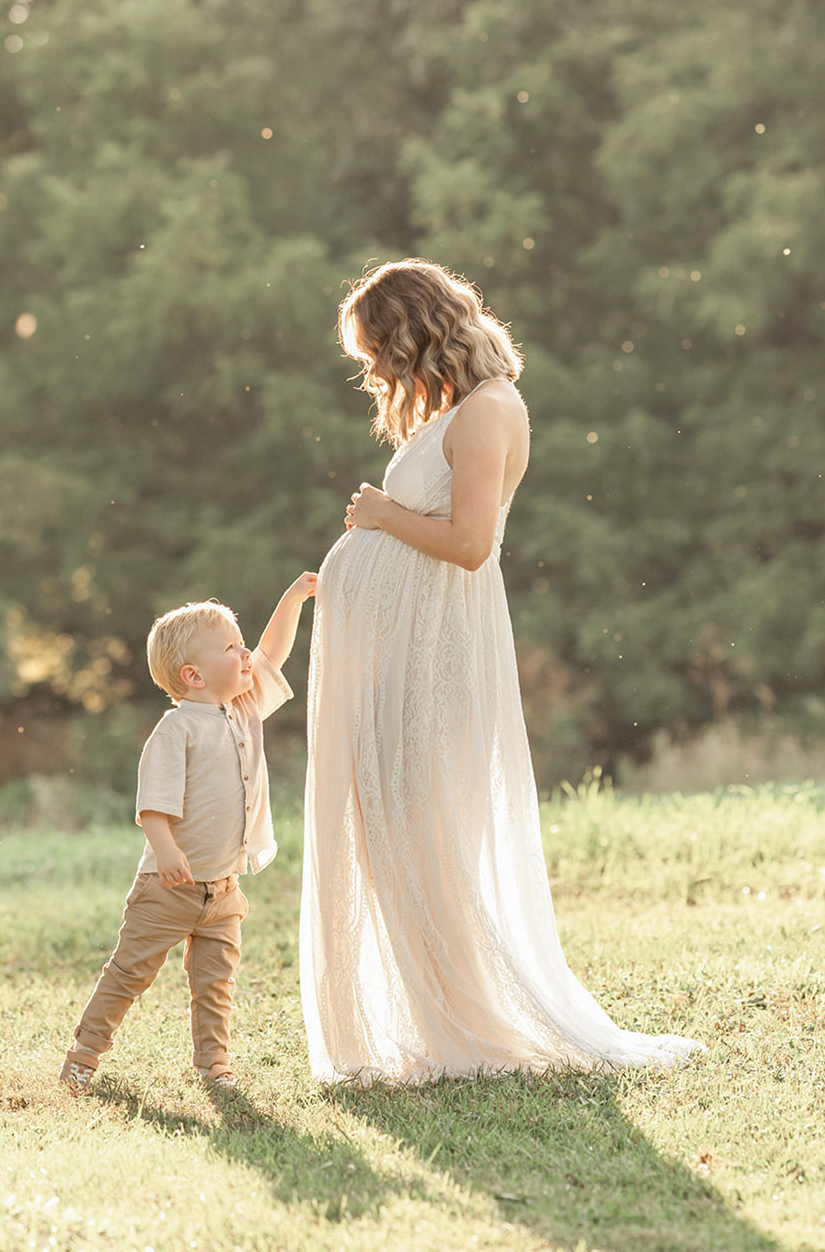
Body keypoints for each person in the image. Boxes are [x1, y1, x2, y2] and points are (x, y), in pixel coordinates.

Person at [301, 259, 703, 1083]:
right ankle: (437, 1016)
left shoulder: (489, 411)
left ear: (415, 330)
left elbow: (470, 544)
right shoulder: (454, 410)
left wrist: (381, 514)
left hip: (437, 655)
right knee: (388, 838)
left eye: (377, 346)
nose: (372, 366)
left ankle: (473, 1027)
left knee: (420, 837)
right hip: (401, 656)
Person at [61, 571, 316, 1094]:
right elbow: (153, 805)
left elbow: (273, 653)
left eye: (241, 644)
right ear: (193, 675)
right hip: (169, 887)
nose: (245, 655)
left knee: (215, 984)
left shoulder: (244, 709)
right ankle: (84, 1054)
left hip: (222, 889)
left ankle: (214, 1066)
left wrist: (293, 597)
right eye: (230, 647)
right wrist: (166, 849)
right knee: (130, 972)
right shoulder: (176, 730)